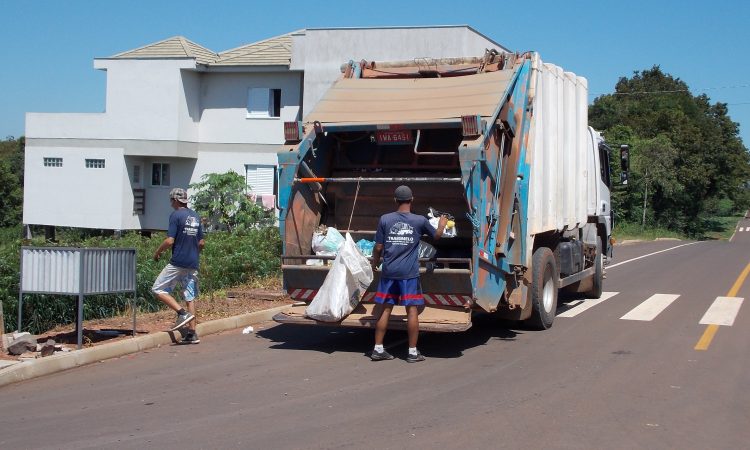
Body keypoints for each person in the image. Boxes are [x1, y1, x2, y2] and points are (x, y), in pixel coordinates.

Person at [370, 185, 447, 362]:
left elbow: (378, 247)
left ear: (395, 200)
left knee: (386, 309)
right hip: (408, 274)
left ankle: (378, 349)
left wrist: (375, 264)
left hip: (389, 272)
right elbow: (436, 236)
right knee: (412, 310)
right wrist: (441, 225)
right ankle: (412, 352)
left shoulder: (385, 219)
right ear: (412, 200)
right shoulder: (419, 221)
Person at [152, 188, 205, 344]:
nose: (170, 203)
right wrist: (193, 253)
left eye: (171, 200)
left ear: (175, 200)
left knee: (157, 289)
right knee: (189, 297)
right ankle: (192, 333)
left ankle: (182, 313)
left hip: (178, 262)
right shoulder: (195, 216)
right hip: (192, 262)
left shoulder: (176, 215)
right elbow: (201, 242)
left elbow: (170, 240)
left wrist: (157, 252)